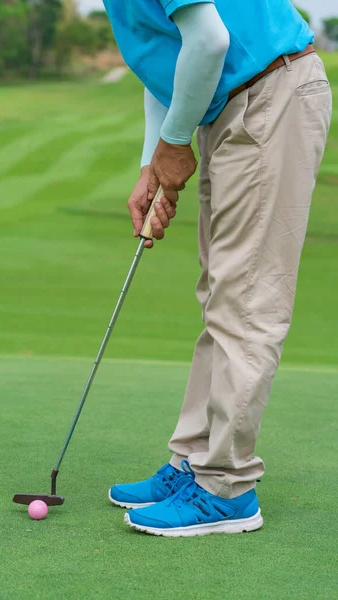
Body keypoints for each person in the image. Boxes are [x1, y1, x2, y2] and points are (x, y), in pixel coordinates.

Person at [104, 0, 332, 536]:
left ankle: (226, 486)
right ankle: (194, 460)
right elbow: (172, 57)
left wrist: (175, 144)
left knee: (246, 299)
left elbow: (208, 41)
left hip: (268, 95)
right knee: (222, 294)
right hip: (236, 103)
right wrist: (151, 161)